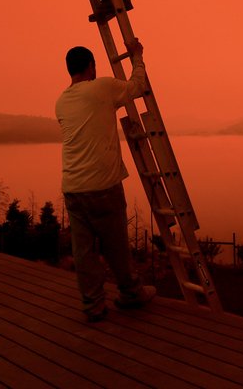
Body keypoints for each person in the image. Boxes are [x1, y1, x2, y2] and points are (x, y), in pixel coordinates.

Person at [56, 38, 156, 321]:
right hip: (102, 185)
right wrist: (137, 55)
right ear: (91, 66)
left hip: (73, 187)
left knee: (84, 252)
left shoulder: (61, 101)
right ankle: (131, 293)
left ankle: (93, 305)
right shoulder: (101, 87)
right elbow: (136, 86)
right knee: (116, 246)